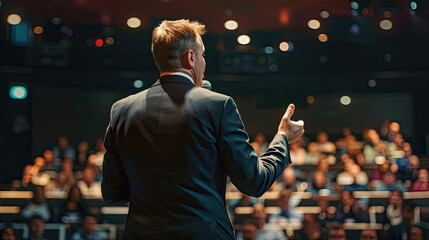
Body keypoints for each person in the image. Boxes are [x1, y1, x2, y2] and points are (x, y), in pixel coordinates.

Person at [101, 19, 304, 239]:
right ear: (190, 58)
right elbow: (254, 181)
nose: (204, 63)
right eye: (203, 55)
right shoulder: (218, 105)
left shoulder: (121, 110)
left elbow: (113, 194)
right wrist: (283, 137)